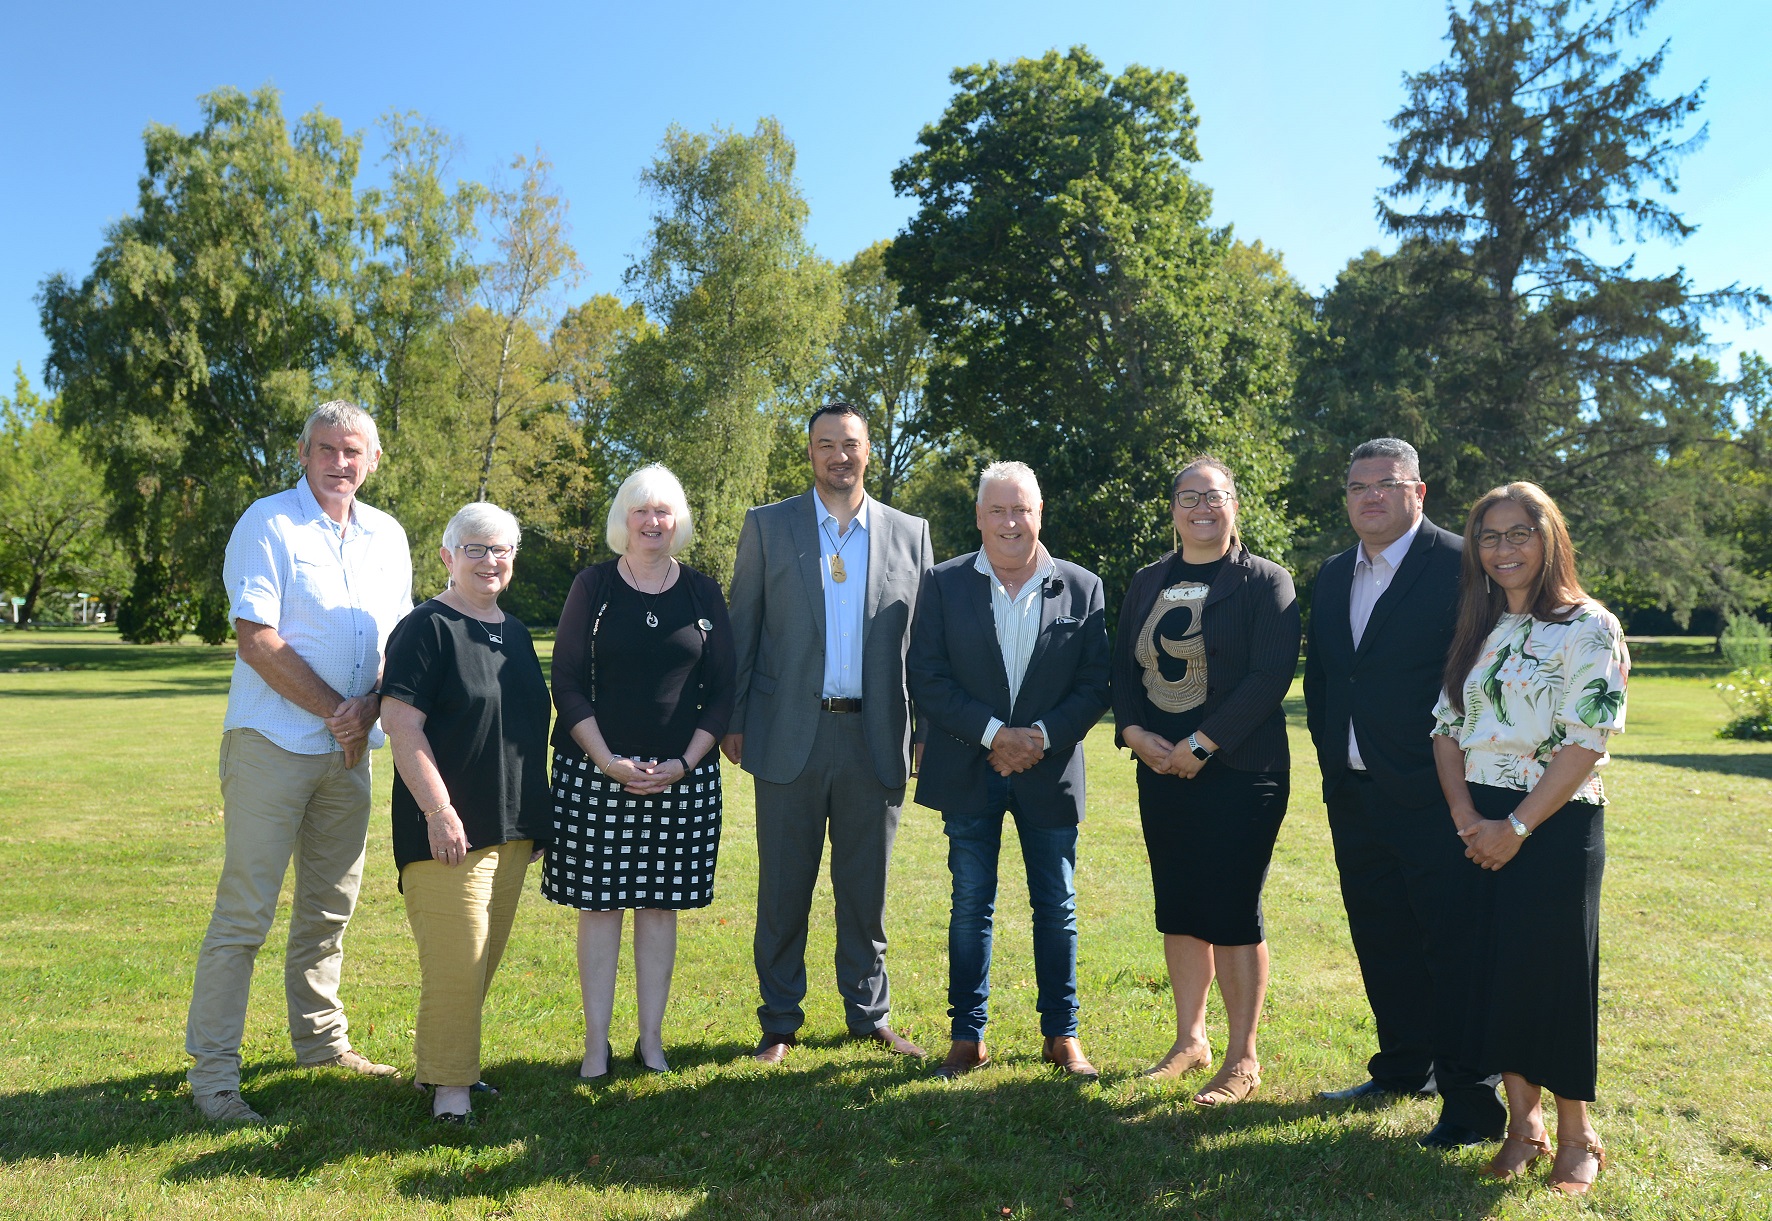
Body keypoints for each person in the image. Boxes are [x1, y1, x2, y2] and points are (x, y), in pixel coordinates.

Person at [185, 400, 412, 1124]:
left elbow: (397, 640)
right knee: (244, 914)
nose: (339, 463)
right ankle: (215, 1077)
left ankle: (320, 1043)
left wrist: (369, 706)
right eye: (325, 449)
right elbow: (256, 636)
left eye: (353, 451)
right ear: (304, 453)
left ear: (372, 459)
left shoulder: (388, 535)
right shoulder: (268, 522)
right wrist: (336, 711)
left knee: (328, 909)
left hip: (351, 752)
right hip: (274, 745)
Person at [1302, 437, 1508, 1148]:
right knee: (1382, 936)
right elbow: (1328, 679)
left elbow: (1486, 676)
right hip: (1355, 795)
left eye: (1385, 484)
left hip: (1440, 794)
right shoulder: (1333, 575)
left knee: (1451, 947)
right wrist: (1334, 761)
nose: (1369, 496)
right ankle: (1401, 1068)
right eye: (1357, 485)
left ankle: (1472, 1105)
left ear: (1418, 492)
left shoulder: (1461, 566)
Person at [722, 402, 935, 1065]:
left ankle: (869, 1016)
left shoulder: (910, 534)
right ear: (809, 454)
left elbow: (926, 645)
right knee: (783, 888)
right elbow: (742, 628)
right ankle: (779, 1022)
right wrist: (733, 719)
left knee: (864, 891)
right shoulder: (768, 526)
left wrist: (924, 727)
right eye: (825, 445)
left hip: (876, 737)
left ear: (870, 449)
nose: (839, 456)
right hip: (789, 733)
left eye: (851, 444)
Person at [1432, 482, 1628, 1196]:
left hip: (1555, 820)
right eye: (1490, 536)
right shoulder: (1480, 628)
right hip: (1478, 819)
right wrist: (1468, 820)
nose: (1504, 548)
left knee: (1553, 979)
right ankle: (1525, 1125)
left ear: (1550, 540)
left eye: (1520, 533)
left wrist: (1515, 827)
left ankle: (1578, 1136)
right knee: (1497, 973)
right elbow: (1445, 730)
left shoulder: (1590, 626)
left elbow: (1586, 741)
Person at [907, 462, 1111, 1081]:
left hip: (1049, 774)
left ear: (1039, 514)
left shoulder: (1082, 587)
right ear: (978, 517)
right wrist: (997, 735)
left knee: (1058, 905)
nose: (1010, 522)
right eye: (997, 510)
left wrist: (1040, 738)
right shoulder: (942, 585)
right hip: (971, 767)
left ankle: (1062, 1034)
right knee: (971, 903)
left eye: (1021, 509)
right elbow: (928, 678)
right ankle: (968, 1036)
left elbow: (1095, 683)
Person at [1112, 456, 1299, 1106]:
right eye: (1188, 496)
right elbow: (1120, 669)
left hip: (1242, 771)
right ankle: (1190, 1039)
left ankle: (1243, 1058)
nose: (1201, 507)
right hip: (1161, 771)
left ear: (1234, 505)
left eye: (1214, 496)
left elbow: (1269, 676)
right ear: (1173, 508)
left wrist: (1202, 742)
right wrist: (1134, 734)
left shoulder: (1266, 581)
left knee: (1231, 909)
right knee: (1181, 905)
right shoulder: (1147, 582)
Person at [544, 464, 736, 1079]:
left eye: (664, 512)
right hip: (595, 777)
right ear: (623, 519)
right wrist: (607, 762)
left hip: (684, 781)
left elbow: (725, 690)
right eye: (641, 511)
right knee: (599, 910)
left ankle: (651, 1041)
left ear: (677, 523)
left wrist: (684, 762)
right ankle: (595, 1044)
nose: (653, 522)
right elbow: (566, 680)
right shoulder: (593, 586)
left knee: (659, 909)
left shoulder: (703, 592)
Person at [378, 502, 549, 1123]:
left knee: (480, 961)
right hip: (447, 827)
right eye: (474, 549)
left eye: (501, 549)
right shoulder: (425, 627)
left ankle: (438, 1069)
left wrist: (534, 823)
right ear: (447, 558)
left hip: (511, 826)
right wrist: (439, 808)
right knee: (459, 960)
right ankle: (453, 1089)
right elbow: (400, 722)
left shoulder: (519, 632)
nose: (489, 560)